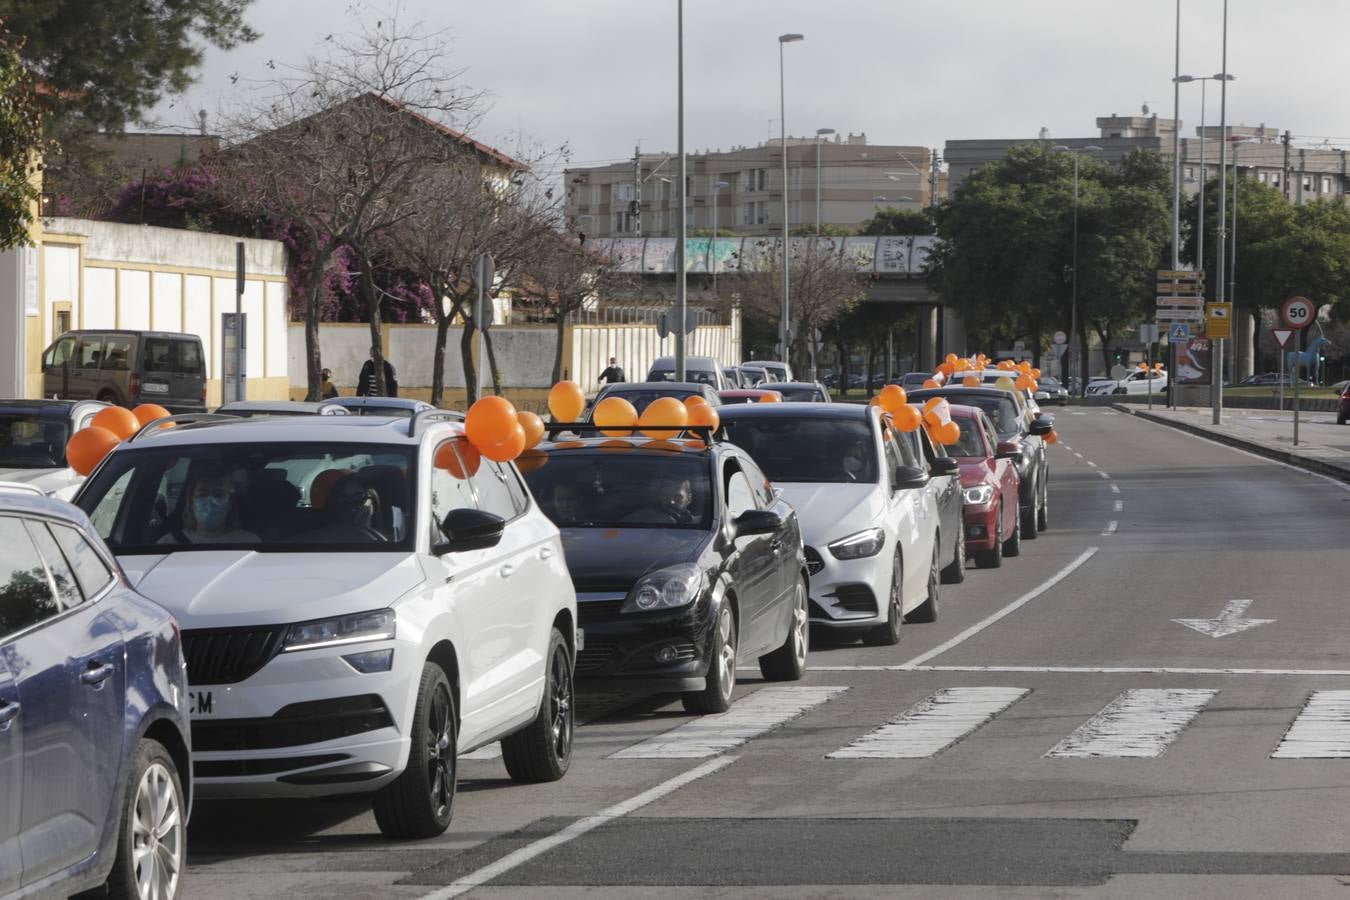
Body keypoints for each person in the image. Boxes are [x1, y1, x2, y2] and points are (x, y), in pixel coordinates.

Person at [160, 467, 259, 544]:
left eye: (218, 495)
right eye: (202, 495)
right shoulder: (169, 542)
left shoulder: (249, 542)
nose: (210, 501)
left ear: (230, 504)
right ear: (190, 502)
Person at [301, 473, 386, 542]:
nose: (351, 505)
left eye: (358, 497)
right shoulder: (315, 540)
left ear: (373, 502)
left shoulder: (395, 544)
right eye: (343, 499)